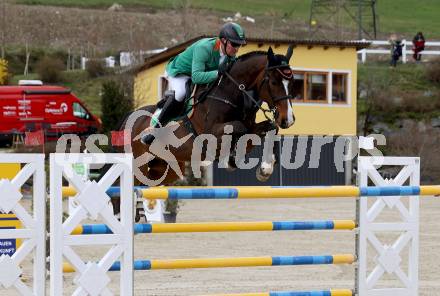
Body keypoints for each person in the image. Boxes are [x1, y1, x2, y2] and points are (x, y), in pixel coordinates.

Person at [141, 22, 246, 145]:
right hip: (180, 72)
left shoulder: (230, 55)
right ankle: (154, 129)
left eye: (239, 45)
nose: (237, 48)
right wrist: (217, 73)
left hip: (200, 73)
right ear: (223, 40)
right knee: (180, 93)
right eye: (234, 44)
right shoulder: (205, 48)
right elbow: (196, 77)